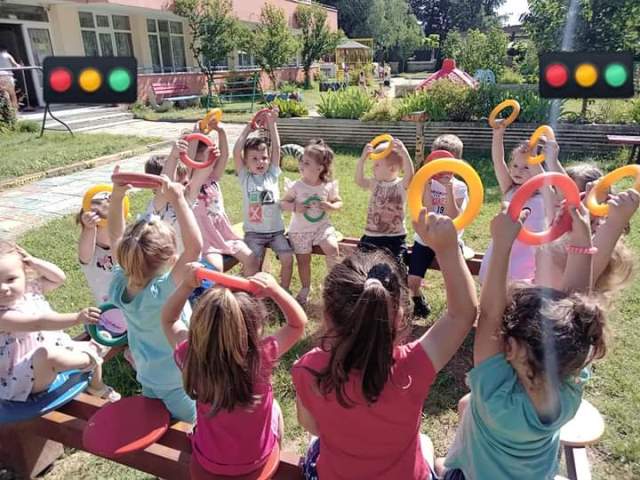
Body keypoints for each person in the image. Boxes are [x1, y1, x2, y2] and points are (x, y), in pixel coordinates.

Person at [292, 211, 478, 480]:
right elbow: (462, 314)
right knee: (425, 442)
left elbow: (312, 427)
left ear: (328, 315)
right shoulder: (414, 366)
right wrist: (447, 249)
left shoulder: (307, 368)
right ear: (400, 316)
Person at [439, 204, 607, 480]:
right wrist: (581, 239)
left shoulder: (495, 395)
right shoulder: (568, 385)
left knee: (438, 463)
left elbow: (490, 313)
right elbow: (578, 310)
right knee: (466, 404)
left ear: (513, 348)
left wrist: (501, 243)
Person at [162, 267, 307, 479]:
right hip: (257, 459)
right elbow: (298, 324)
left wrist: (186, 285)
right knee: (275, 407)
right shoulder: (261, 358)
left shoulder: (189, 355)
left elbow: (168, 320)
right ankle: (277, 446)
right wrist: (275, 290)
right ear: (254, 327)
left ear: (199, 324)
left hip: (207, 459)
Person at [107, 172, 202, 422]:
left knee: (158, 422)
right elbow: (195, 247)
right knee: (196, 427)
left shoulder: (121, 282)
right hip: (181, 381)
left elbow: (115, 237)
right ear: (172, 260)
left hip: (148, 377)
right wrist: (178, 198)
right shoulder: (164, 290)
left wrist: (117, 196)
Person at [0, 242, 119, 402]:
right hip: (23, 379)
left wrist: (34, 261)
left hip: (54, 347)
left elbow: (58, 278)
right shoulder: (3, 316)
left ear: (24, 273)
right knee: (48, 355)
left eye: (11, 279)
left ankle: (97, 387)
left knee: (65, 349)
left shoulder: (30, 289)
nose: (3, 288)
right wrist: (77, 318)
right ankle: (91, 355)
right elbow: (38, 323)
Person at [478, 118, 558, 283]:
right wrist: (498, 134)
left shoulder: (545, 195)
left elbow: (542, 179)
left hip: (527, 257)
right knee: (493, 285)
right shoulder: (510, 189)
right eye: (515, 166)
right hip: (502, 249)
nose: (518, 171)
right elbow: (498, 161)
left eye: (526, 167)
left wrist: (533, 158)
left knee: (518, 290)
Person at [408, 135, 469, 318]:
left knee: (453, 282)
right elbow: (426, 213)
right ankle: (418, 300)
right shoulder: (426, 182)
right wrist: (427, 186)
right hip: (426, 238)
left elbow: (453, 217)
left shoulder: (459, 187)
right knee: (412, 281)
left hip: (450, 240)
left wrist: (448, 188)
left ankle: (456, 311)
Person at [233, 110, 294, 289]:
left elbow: (276, 148)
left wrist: (272, 125)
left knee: (287, 258)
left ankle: (283, 290)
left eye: (264, 158)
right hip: (254, 233)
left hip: (276, 232)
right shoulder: (245, 178)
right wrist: (248, 128)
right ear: (246, 162)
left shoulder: (272, 174)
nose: (260, 162)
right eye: (254, 159)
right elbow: (236, 152)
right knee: (252, 261)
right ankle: (250, 292)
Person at [188, 119, 256, 275]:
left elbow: (224, 155)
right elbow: (189, 165)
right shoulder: (190, 183)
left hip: (223, 234)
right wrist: (196, 135)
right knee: (216, 270)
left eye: (211, 158)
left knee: (251, 258)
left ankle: (248, 289)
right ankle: (218, 292)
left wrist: (221, 131)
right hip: (205, 239)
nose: (211, 161)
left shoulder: (213, 177)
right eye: (205, 158)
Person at [281, 140, 343, 305]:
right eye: (302, 161)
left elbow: (339, 202)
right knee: (303, 261)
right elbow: (283, 203)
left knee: (332, 248)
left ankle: (334, 284)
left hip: (321, 227)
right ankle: (305, 288)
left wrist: (331, 206)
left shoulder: (327, 186)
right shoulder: (297, 186)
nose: (301, 164)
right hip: (300, 230)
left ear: (319, 168)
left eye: (307, 163)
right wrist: (295, 207)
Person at [355, 138, 415, 265]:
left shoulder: (401, 185)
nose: (373, 168)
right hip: (372, 236)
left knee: (396, 266)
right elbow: (359, 180)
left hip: (395, 238)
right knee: (362, 266)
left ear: (392, 168)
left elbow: (410, 176)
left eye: (377, 165)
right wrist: (362, 159)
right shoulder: (375, 184)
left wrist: (404, 153)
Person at [0, 45, 20, 109]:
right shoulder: (7, 55)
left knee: (4, 94)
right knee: (12, 94)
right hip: (7, 75)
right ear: (5, 50)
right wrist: (20, 66)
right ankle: (14, 110)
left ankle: (8, 110)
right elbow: (15, 64)